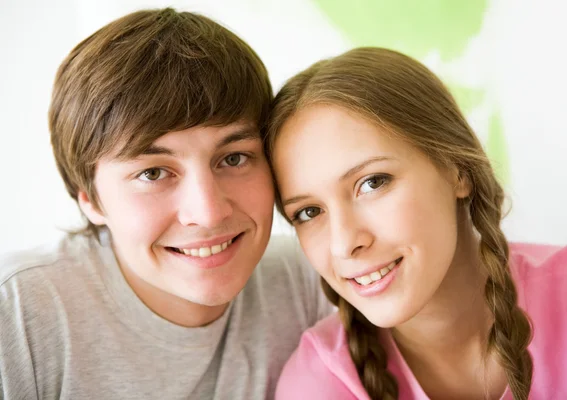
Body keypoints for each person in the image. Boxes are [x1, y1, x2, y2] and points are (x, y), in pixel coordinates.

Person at [0, 8, 331, 399]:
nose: (208, 212)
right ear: (89, 198)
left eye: (234, 158)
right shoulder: (18, 316)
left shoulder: (310, 278)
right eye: (153, 173)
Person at [265, 47, 567, 399]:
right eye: (309, 212)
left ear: (457, 170)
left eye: (373, 182)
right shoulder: (318, 382)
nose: (343, 243)